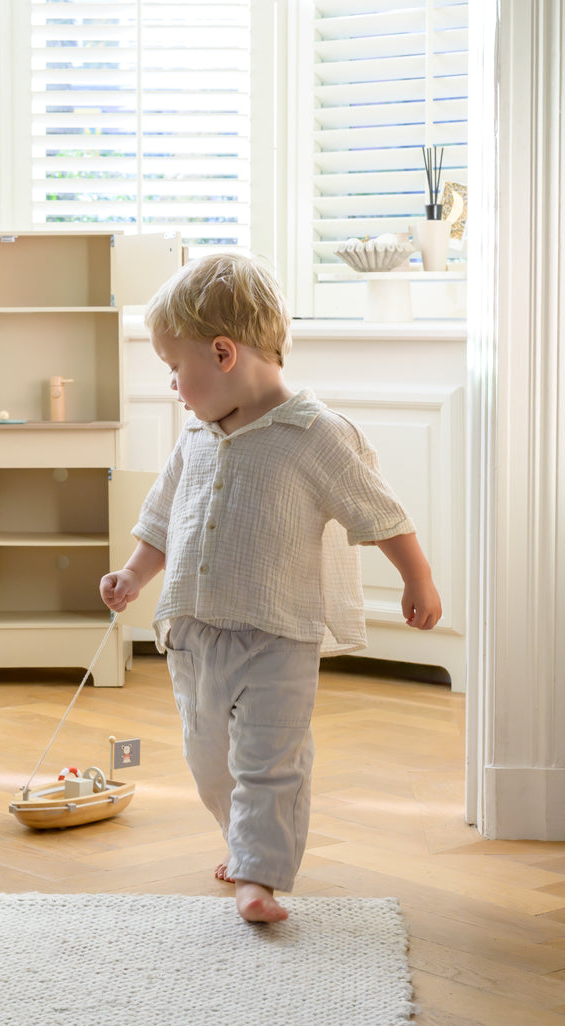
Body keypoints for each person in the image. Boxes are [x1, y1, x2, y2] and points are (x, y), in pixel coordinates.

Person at [100, 253, 442, 924]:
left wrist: (418, 577)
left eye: (176, 368)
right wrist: (135, 574)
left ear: (223, 353)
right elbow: (163, 517)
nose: (172, 385)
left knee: (268, 759)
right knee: (209, 762)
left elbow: (379, 512)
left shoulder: (315, 434)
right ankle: (242, 839)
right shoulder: (196, 436)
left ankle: (260, 875)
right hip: (196, 635)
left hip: (278, 636)